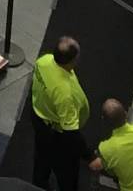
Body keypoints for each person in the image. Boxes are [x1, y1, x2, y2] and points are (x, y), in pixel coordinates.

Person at [28, 35, 88, 191]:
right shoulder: (64, 94)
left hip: (38, 117)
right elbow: (70, 133)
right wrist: (89, 156)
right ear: (72, 61)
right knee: (67, 171)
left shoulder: (44, 61)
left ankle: (39, 184)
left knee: (41, 158)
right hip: (56, 133)